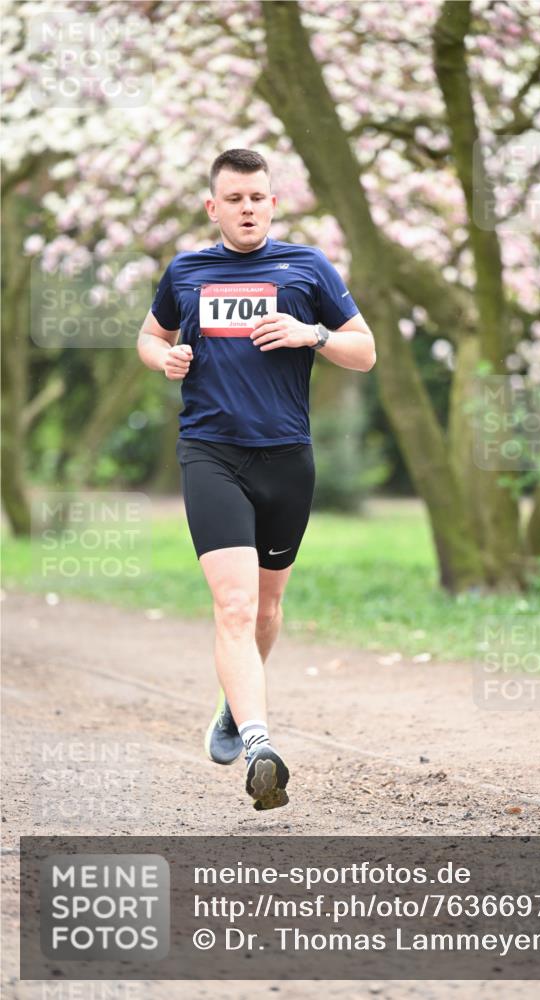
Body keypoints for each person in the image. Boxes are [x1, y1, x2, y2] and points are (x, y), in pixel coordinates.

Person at [137, 149, 376, 810]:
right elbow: (149, 336)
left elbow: (365, 351)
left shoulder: (308, 268)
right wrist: (165, 357)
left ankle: (233, 707)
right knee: (236, 606)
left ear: (273, 203)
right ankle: (259, 745)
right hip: (210, 453)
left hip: (286, 459)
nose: (246, 209)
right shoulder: (186, 271)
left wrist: (311, 334)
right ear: (212, 207)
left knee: (267, 609)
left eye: (257, 198)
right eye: (234, 199)